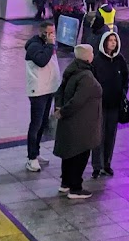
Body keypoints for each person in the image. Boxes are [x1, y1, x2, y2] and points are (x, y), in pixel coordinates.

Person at [52, 44, 102, 200]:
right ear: (87, 57)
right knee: (79, 155)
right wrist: (63, 111)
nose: (93, 55)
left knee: (68, 154)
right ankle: (75, 187)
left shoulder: (72, 69)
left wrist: (59, 108)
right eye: (92, 53)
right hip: (81, 124)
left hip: (71, 124)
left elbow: (59, 91)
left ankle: (65, 183)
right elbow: (78, 101)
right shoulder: (86, 76)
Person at [91, 31, 129, 178]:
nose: (113, 43)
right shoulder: (97, 60)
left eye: (115, 40)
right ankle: (96, 165)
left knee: (110, 134)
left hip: (114, 105)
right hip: (100, 105)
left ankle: (107, 163)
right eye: (110, 40)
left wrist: (123, 93)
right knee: (98, 135)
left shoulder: (120, 60)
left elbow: (125, 80)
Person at [24, 20, 61, 172]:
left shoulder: (47, 45)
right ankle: (31, 158)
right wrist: (51, 45)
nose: (52, 35)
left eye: (54, 32)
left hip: (48, 89)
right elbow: (42, 61)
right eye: (50, 32)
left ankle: (36, 152)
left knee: (43, 123)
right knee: (36, 124)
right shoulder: (34, 46)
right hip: (38, 91)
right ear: (42, 32)